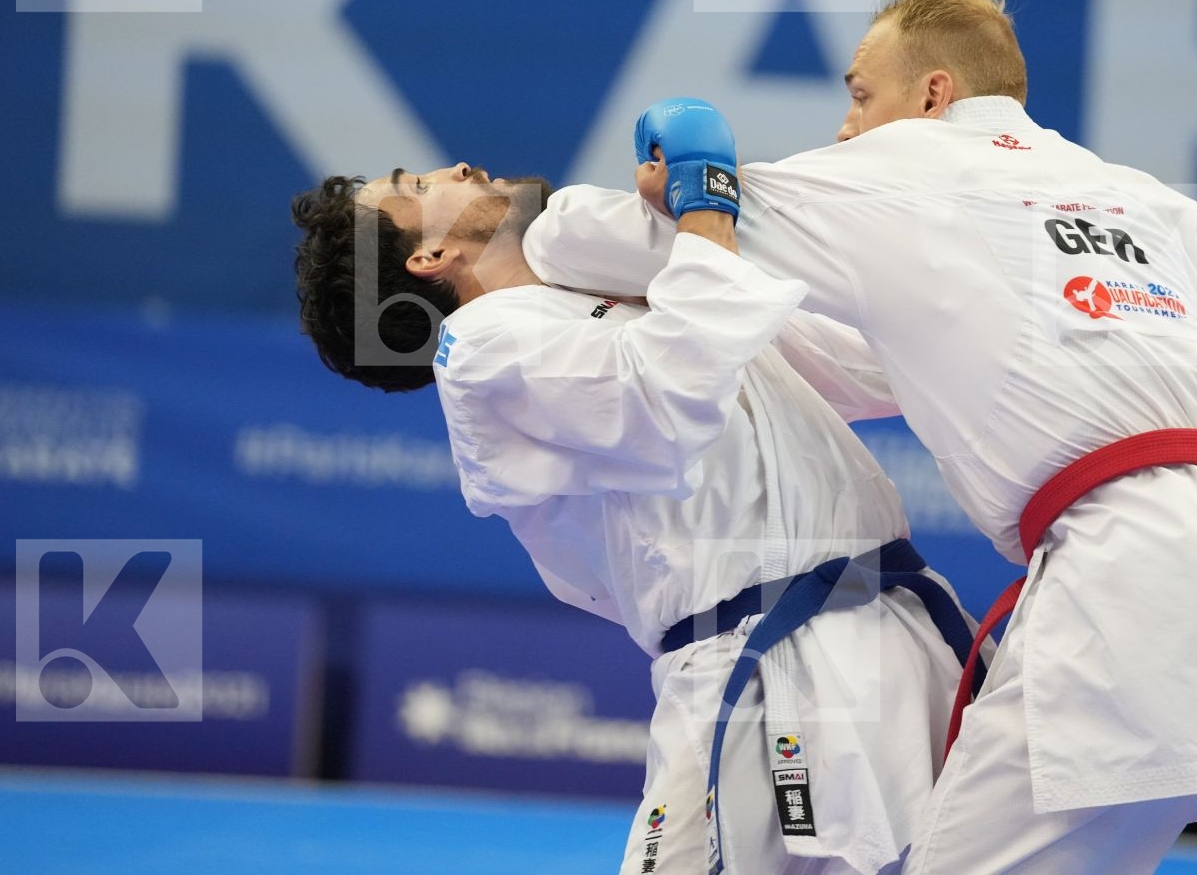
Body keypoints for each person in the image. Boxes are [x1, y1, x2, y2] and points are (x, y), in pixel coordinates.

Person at [522, 0, 1197, 874]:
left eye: (861, 94)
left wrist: (624, 196)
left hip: (1127, 568)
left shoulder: (899, 167)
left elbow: (585, 239)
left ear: (933, 96)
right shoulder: (1139, 196)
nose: (845, 128)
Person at [290, 161, 977, 875]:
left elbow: (867, 366)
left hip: (901, 626)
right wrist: (703, 216)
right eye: (419, 188)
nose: (456, 168)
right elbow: (666, 394)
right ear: (430, 258)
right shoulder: (483, 347)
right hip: (759, 670)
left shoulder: (644, 295)